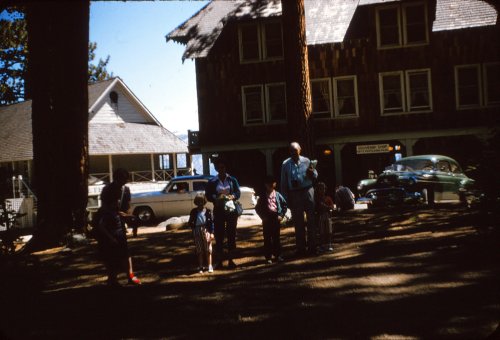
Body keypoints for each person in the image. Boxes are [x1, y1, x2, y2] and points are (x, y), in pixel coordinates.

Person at [95, 168, 141, 287]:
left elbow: (127, 206)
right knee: (110, 253)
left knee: (125, 251)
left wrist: (126, 216)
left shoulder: (126, 190)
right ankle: (112, 278)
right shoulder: (107, 189)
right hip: (108, 222)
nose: (125, 182)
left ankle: (130, 275)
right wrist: (112, 212)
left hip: (120, 222)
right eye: (123, 179)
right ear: (117, 178)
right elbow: (104, 206)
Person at [280, 142, 318, 256]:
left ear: (299, 150)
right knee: (298, 222)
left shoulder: (307, 161)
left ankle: (313, 247)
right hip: (294, 194)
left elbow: (315, 175)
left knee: (311, 219)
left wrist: (313, 173)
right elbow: (283, 182)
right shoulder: (285, 164)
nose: (293, 153)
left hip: (308, 190)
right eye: (291, 151)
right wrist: (285, 198)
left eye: (295, 151)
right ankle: (301, 248)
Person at [205, 158, 241, 269]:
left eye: (223, 167)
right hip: (219, 211)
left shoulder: (232, 179)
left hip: (230, 211)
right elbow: (208, 195)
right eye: (219, 168)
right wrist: (216, 198)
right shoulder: (212, 181)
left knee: (231, 235)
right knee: (219, 236)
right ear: (216, 169)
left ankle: (231, 260)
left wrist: (233, 196)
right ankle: (220, 261)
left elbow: (238, 192)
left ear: (226, 168)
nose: (221, 169)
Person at [255, 175, 288, 264]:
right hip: (267, 219)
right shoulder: (262, 196)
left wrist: (281, 215)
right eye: (268, 183)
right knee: (267, 238)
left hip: (276, 218)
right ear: (265, 185)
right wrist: (263, 217)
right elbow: (257, 208)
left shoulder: (278, 195)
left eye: (271, 183)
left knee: (276, 238)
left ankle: (278, 255)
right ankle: (268, 257)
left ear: (275, 184)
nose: (269, 185)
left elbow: (284, 205)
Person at [187, 193, 215, 273]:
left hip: (206, 230)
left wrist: (212, 233)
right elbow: (190, 222)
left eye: (201, 201)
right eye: (198, 201)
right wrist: (194, 228)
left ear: (204, 201)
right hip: (197, 230)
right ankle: (201, 266)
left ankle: (210, 266)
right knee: (199, 249)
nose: (200, 203)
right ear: (196, 202)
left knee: (208, 249)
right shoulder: (193, 211)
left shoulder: (208, 211)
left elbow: (212, 223)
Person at [315, 182, 334, 252]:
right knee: (321, 231)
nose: (322, 190)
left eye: (323, 189)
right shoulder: (316, 200)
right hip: (320, 216)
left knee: (329, 231)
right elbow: (316, 208)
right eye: (320, 189)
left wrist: (327, 207)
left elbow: (332, 207)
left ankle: (329, 244)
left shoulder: (328, 198)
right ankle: (322, 245)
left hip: (328, 216)